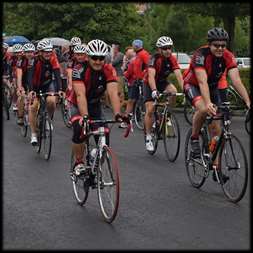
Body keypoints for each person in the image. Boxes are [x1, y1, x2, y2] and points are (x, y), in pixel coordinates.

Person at [183, 27, 251, 181]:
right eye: (216, 45)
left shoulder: (228, 56)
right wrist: (208, 103)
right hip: (193, 85)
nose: (220, 48)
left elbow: (236, 81)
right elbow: (202, 81)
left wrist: (248, 101)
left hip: (213, 87)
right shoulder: (200, 55)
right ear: (209, 45)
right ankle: (194, 138)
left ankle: (216, 168)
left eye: (223, 45)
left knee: (217, 130)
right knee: (203, 108)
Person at [66, 39, 128, 176]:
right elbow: (80, 95)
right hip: (77, 104)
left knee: (104, 136)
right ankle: (79, 162)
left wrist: (117, 113)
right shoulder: (79, 69)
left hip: (94, 104)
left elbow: (113, 92)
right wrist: (85, 117)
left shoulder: (108, 69)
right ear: (88, 57)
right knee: (79, 129)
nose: (98, 61)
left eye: (101, 58)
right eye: (94, 57)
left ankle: (96, 157)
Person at [143, 36, 184, 152]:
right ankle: (148, 137)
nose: (168, 51)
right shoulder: (154, 59)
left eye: (170, 48)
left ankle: (167, 116)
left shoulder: (172, 59)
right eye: (165, 48)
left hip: (162, 82)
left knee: (174, 92)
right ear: (159, 49)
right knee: (150, 109)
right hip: (149, 84)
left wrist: (185, 90)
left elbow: (179, 76)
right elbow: (151, 76)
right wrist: (154, 90)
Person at [27, 39, 63, 145]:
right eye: (45, 51)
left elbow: (57, 75)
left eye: (49, 51)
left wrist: (60, 89)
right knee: (33, 107)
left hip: (48, 84)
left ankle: (48, 118)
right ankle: (33, 134)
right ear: (40, 52)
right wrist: (32, 90)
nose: (48, 53)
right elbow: (29, 76)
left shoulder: (53, 59)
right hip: (35, 86)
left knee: (52, 101)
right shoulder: (34, 60)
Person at [16, 43, 36, 125]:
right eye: (27, 52)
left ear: (34, 52)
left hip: (34, 81)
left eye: (31, 52)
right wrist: (20, 87)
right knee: (21, 97)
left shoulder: (37, 60)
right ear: (24, 53)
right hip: (24, 81)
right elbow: (19, 75)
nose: (29, 54)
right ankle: (20, 117)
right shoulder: (21, 61)